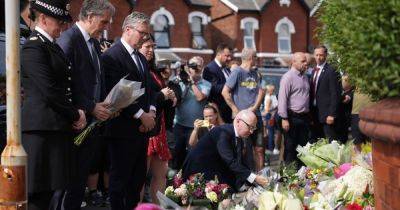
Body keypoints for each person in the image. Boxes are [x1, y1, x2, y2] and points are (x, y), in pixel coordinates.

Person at [20, 1, 87, 209]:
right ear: (43, 19)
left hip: (54, 128)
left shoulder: (51, 45)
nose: (63, 26)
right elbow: (49, 90)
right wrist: (75, 114)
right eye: (59, 21)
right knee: (37, 195)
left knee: (50, 193)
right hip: (40, 130)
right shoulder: (33, 46)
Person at [57, 0, 115, 208]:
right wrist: (90, 107)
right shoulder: (69, 40)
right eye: (104, 22)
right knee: (67, 185)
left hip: (92, 126)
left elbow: (96, 80)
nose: (107, 27)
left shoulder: (94, 43)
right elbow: (62, 84)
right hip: (73, 126)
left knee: (78, 183)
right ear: (90, 16)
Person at [101, 12, 155, 209]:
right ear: (127, 30)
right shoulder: (112, 56)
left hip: (141, 131)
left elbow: (149, 88)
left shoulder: (139, 58)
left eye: (146, 33)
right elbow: (116, 91)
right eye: (142, 32)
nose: (144, 37)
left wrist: (151, 112)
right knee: (120, 181)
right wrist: (141, 116)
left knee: (137, 180)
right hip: (121, 129)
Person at [182, 110, 268, 192]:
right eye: (250, 127)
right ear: (238, 122)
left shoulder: (237, 135)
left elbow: (238, 162)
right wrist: (254, 178)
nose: (251, 131)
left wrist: (251, 180)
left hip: (212, 170)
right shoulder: (223, 133)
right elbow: (230, 161)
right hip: (196, 172)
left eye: (254, 128)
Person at [138, 35, 177, 205]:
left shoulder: (154, 70)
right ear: (138, 46)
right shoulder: (137, 68)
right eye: (147, 46)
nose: (151, 50)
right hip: (144, 127)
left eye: (153, 47)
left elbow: (160, 94)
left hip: (159, 128)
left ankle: (156, 207)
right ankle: (138, 208)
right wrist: (162, 95)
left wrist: (170, 97)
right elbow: (142, 96)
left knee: (161, 173)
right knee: (140, 176)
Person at [222, 48, 265, 172]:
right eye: (256, 57)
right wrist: (235, 110)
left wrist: (255, 108)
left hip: (256, 117)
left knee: (259, 148)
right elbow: (225, 92)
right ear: (251, 58)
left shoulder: (256, 73)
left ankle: (260, 177)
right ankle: (244, 178)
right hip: (242, 119)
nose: (257, 59)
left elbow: (261, 92)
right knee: (242, 149)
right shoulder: (237, 72)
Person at [173, 56, 211, 169]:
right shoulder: (179, 81)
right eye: (193, 66)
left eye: (198, 67)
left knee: (192, 157)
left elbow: (200, 97)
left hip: (195, 127)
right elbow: (176, 101)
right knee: (177, 156)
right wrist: (182, 79)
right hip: (179, 125)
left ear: (202, 68)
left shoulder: (206, 84)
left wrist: (191, 82)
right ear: (188, 68)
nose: (195, 69)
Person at [277, 52, 310, 165]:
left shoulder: (305, 77)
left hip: (304, 118)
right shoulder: (288, 77)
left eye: (306, 61)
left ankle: (301, 177)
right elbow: (282, 99)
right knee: (290, 147)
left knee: (303, 148)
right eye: (303, 61)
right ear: (293, 62)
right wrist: (284, 118)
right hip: (291, 117)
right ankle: (289, 175)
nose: (306, 63)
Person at [310, 45, 343, 142]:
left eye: (321, 55)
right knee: (317, 141)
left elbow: (335, 94)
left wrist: (332, 114)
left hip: (327, 114)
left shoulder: (332, 70)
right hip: (315, 112)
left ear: (326, 55)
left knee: (330, 141)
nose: (318, 57)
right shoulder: (313, 70)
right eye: (316, 55)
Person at [203, 43, 233, 123]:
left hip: (229, 112)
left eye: (230, 56)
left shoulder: (227, 69)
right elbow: (213, 88)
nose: (229, 58)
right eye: (227, 56)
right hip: (218, 114)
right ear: (219, 54)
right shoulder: (209, 69)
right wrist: (232, 85)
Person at [262, 84, 279, 155]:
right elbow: (270, 108)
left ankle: (271, 148)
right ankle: (271, 148)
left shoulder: (270, 97)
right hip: (271, 115)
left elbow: (267, 109)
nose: (273, 90)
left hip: (270, 115)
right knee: (272, 132)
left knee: (271, 132)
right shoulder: (271, 97)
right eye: (272, 89)